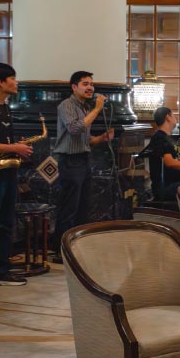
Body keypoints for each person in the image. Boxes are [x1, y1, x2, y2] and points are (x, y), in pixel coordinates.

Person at [52, 71, 115, 254]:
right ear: (74, 87)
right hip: (70, 161)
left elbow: (84, 139)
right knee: (69, 208)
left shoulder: (85, 107)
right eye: (85, 84)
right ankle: (61, 250)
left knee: (83, 207)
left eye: (91, 84)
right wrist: (97, 109)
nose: (90, 88)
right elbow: (74, 129)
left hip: (84, 159)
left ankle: (77, 248)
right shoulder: (67, 105)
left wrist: (101, 138)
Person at [0, 63, 32, 286]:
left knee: (7, 222)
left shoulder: (6, 107)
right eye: (12, 78)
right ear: (0, 82)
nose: (16, 82)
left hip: (8, 169)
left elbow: (5, 141)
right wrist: (14, 148)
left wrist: (19, 147)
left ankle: (2, 269)